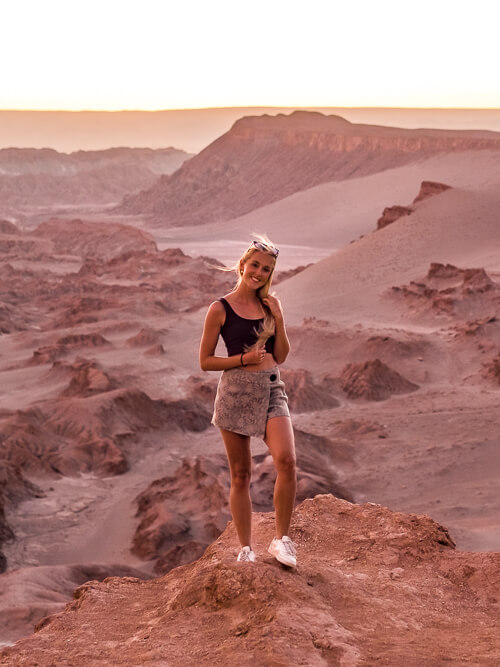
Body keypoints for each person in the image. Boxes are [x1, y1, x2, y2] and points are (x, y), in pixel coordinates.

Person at [199, 236, 297, 567]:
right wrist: (243, 359)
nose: (258, 272)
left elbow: (280, 356)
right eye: (254, 265)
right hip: (236, 392)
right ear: (242, 265)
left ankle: (282, 541)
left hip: (271, 388)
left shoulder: (269, 305)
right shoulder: (219, 309)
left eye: (266, 269)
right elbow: (206, 361)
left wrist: (280, 320)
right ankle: (245, 548)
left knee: (286, 461)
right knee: (241, 474)